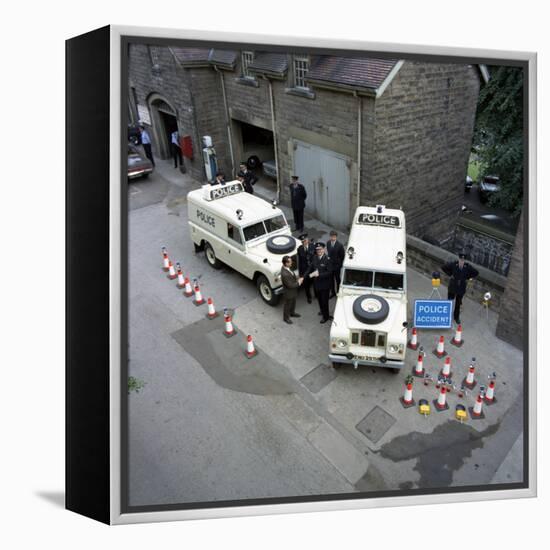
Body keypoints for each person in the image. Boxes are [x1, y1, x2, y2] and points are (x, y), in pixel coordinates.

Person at [441, 253, 479, 324]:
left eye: (463, 260)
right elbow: (443, 267)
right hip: (453, 285)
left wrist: (467, 277)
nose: (462, 261)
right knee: (449, 301)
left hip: (461, 286)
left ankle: (456, 317)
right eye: (461, 259)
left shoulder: (467, 267)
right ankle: (447, 315)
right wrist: (450, 274)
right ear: (459, 259)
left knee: (458, 303)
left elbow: (476, 272)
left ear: (464, 260)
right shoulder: (454, 264)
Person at [305, 242, 333, 324]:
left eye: (320, 249)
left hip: (325, 285)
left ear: (324, 249)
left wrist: (319, 275)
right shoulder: (314, 257)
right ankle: (322, 311)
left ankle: (326, 317)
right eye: (317, 250)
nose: (319, 251)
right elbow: (310, 268)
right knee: (320, 301)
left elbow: (330, 272)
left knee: (325, 302)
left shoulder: (328, 259)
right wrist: (303, 276)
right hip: (317, 284)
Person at [280, 255, 303, 324]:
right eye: (290, 262)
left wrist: (297, 278)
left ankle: (292, 313)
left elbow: (292, 275)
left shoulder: (287, 268)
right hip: (289, 293)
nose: (291, 263)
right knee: (287, 305)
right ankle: (286, 318)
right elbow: (290, 285)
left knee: (293, 303)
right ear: (286, 263)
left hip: (293, 292)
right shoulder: (284, 274)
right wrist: (299, 282)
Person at [326, 230, 345, 297]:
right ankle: (333, 292)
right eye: (331, 236)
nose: (333, 238)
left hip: (337, 266)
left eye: (334, 236)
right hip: (330, 266)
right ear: (330, 236)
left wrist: (339, 264)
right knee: (331, 280)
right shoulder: (328, 243)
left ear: (336, 237)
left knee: (337, 280)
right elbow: (328, 253)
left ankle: (338, 292)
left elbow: (342, 256)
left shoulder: (340, 245)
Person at [297, 233, 315, 303]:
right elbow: (300, 261)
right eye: (302, 241)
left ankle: (316, 294)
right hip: (305, 271)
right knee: (306, 285)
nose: (304, 242)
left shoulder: (313, 246)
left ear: (307, 240)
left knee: (315, 283)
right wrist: (301, 273)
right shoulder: (300, 249)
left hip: (313, 270)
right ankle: (309, 297)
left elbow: (316, 258)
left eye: (305, 240)